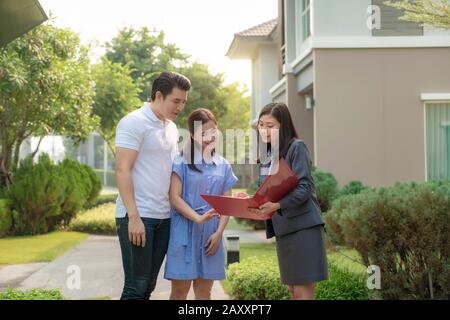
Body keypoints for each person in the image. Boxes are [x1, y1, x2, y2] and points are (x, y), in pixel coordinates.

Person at [114, 71, 191, 300]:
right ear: (158, 95)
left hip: (163, 217)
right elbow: (122, 169)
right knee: (135, 287)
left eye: (184, 102)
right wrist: (134, 217)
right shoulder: (133, 122)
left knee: (147, 286)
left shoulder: (171, 127)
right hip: (139, 216)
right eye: (176, 101)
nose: (180, 107)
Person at [249, 102, 328, 300]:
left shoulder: (296, 147)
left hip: (303, 228)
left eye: (271, 125)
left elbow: (305, 187)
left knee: (302, 290)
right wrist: (253, 202)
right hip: (284, 228)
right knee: (293, 290)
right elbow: (267, 191)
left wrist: (277, 205)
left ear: (283, 126)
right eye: (261, 125)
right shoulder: (268, 155)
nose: (265, 130)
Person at [164, 108, 238, 300]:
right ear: (192, 135)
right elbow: (174, 197)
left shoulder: (223, 165)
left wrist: (218, 233)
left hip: (211, 234)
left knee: (204, 291)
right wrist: (197, 218)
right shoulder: (181, 162)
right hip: (184, 232)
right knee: (180, 292)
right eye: (203, 133)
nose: (209, 137)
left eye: (212, 131)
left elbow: (226, 205)